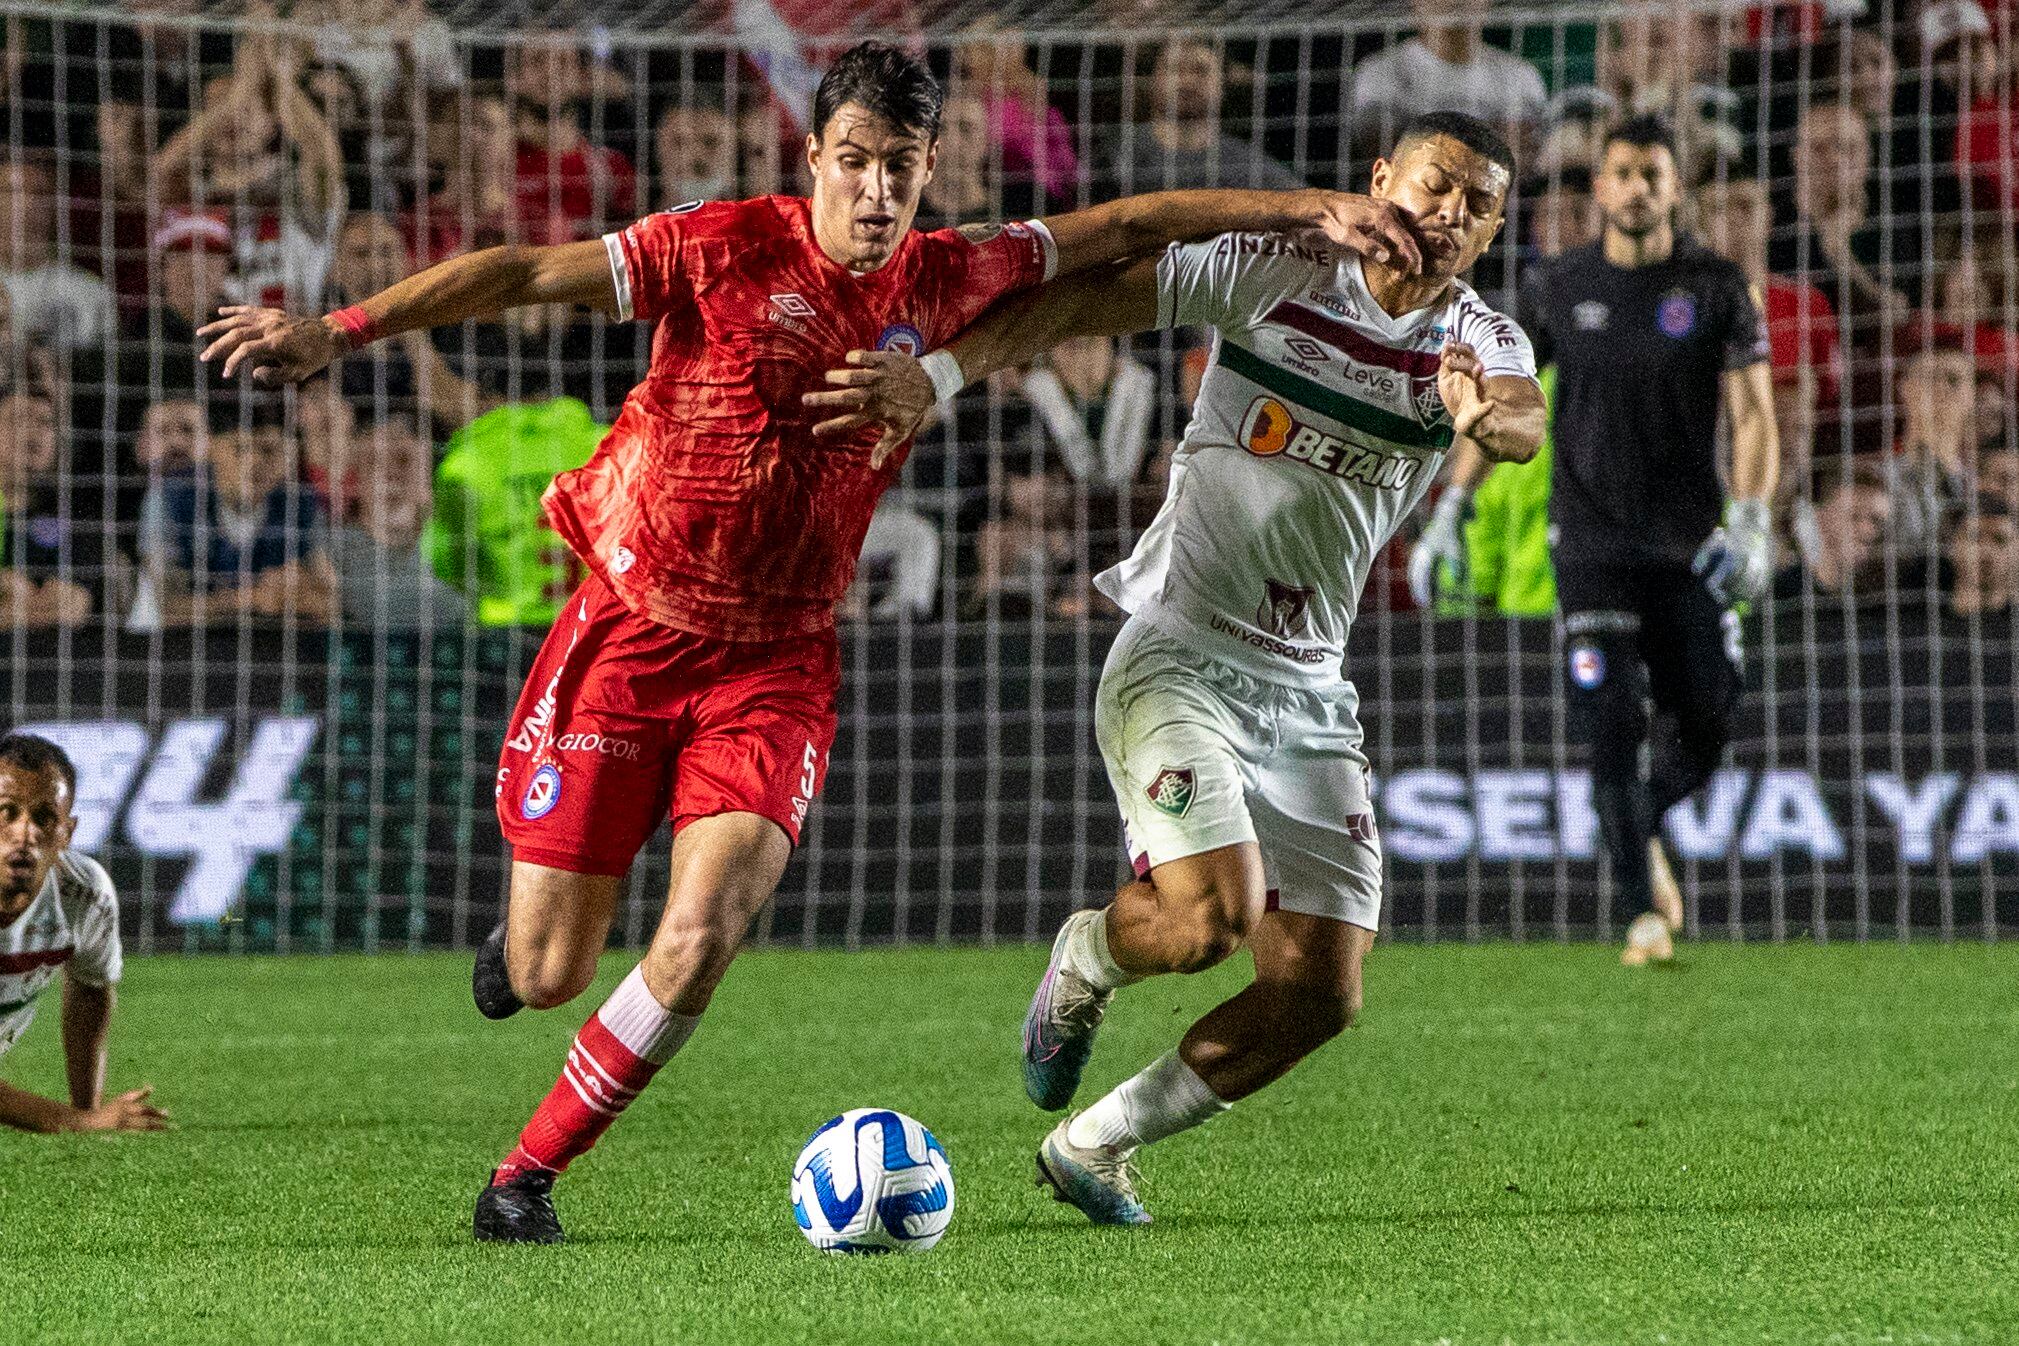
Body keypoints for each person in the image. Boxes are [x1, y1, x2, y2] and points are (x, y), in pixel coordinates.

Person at [195, 39, 1421, 1245]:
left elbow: (1118, 227)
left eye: (899, 166)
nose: (876, 191)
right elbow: (520, 271)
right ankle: (518, 957)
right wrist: (338, 331)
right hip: (630, 627)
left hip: (777, 663)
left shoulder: (945, 277)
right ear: (813, 157)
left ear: (930, 165)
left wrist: (1306, 208)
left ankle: (523, 1178)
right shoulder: (721, 244)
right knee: (551, 964)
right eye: (853, 162)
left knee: (703, 927)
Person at [808, 110, 1545, 1226]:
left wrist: (1480, 412)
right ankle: (1089, 956)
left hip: (1310, 689)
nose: (1448, 214)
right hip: (1182, 651)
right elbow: (1087, 299)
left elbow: (1524, 422)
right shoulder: (1283, 266)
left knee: (1321, 993)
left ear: (1491, 229)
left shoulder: (1479, 340)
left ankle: (1093, 1144)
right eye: (1436, 184)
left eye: (1476, 204)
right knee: (1212, 917)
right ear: (1381, 174)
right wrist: (946, 373)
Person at [1422, 116, 1777, 966]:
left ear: (1675, 188)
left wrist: (1754, 518)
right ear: (1601, 190)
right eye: (1622, 172)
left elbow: (1755, 413)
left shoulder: (1719, 285)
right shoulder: (1555, 287)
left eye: (1653, 173)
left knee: (1709, 719)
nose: (1637, 187)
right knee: (1610, 721)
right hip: (1588, 547)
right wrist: (1449, 508)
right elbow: (1499, 402)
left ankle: (1641, 824)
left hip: (1690, 546)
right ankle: (1638, 916)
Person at [0, 732, 169, 1134]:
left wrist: (88, 1106)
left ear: (66, 833)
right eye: (7, 812)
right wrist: (83, 1123)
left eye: (44, 817)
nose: (25, 834)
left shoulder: (85, 895)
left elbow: (91, 990)